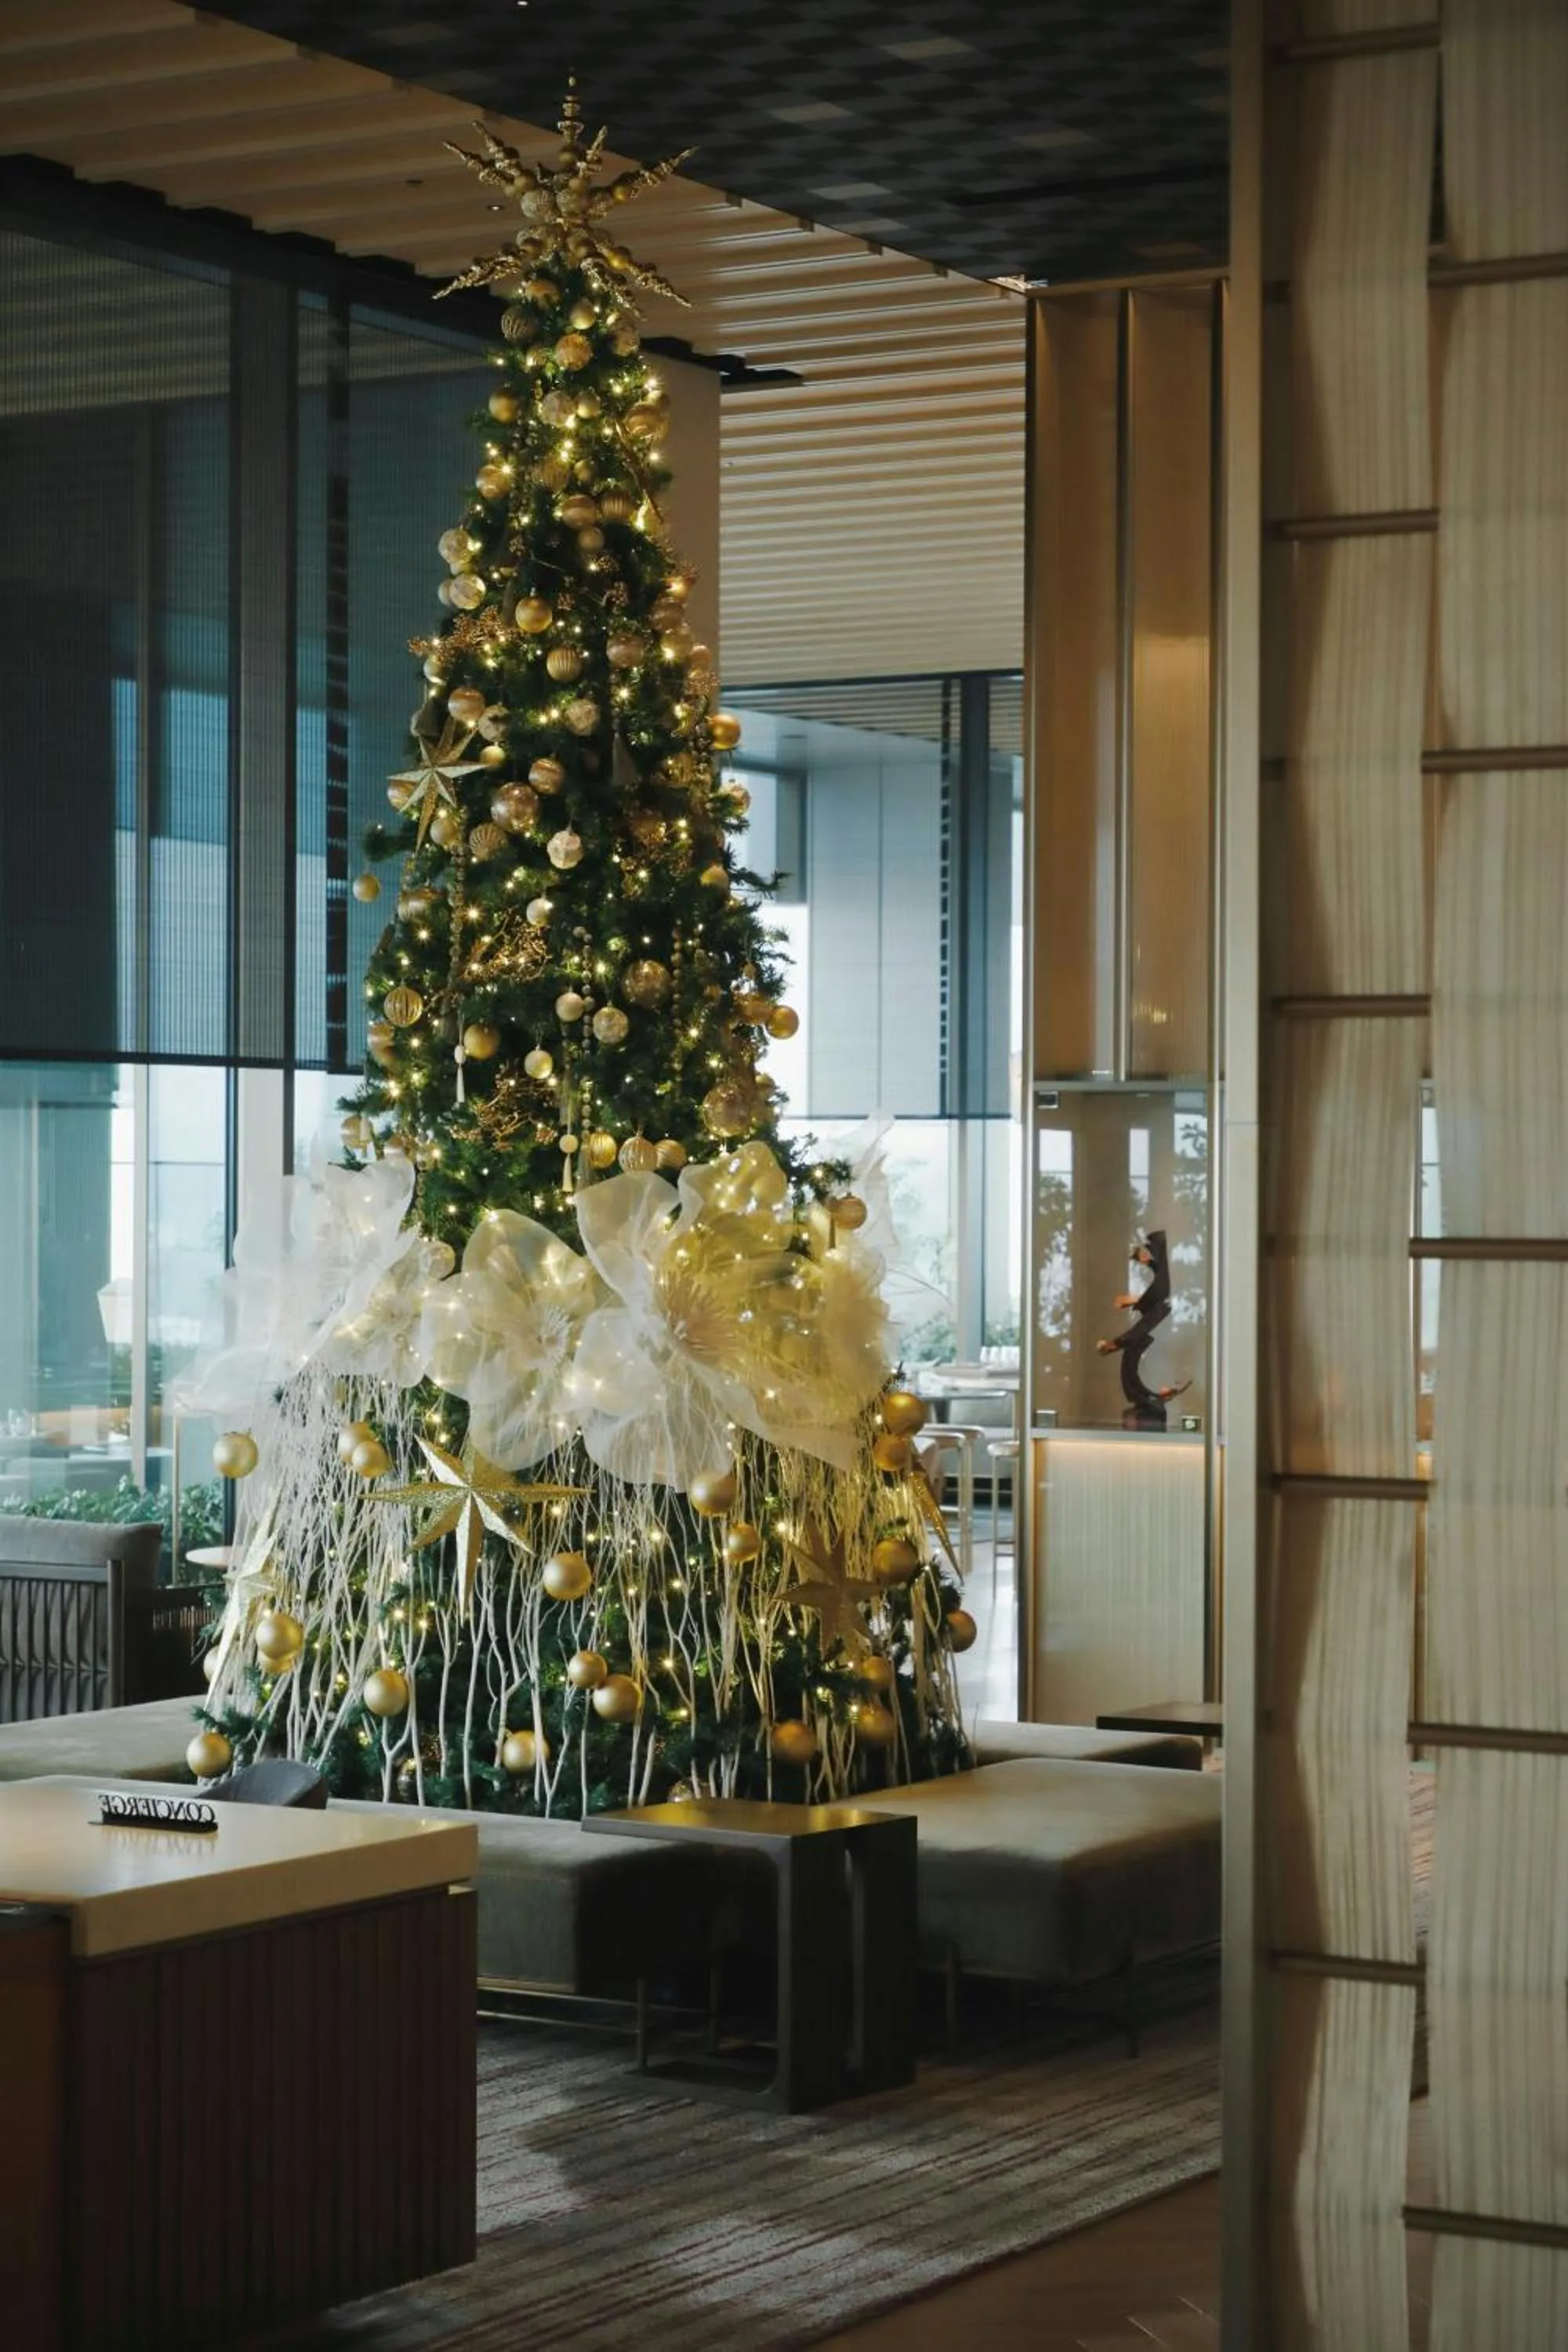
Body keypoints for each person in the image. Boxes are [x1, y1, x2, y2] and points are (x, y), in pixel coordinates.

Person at [1096, 1229, 1191, 1429]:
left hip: (1151, 1311)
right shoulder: (1154, 1307)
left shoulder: (1153, 1310)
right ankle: (1158, 1244)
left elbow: (1135, 1333)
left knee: (1160, 1288)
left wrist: (1115, 1343)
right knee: (1160, 1287)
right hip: (1152, 1310)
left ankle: (1158, 1244)